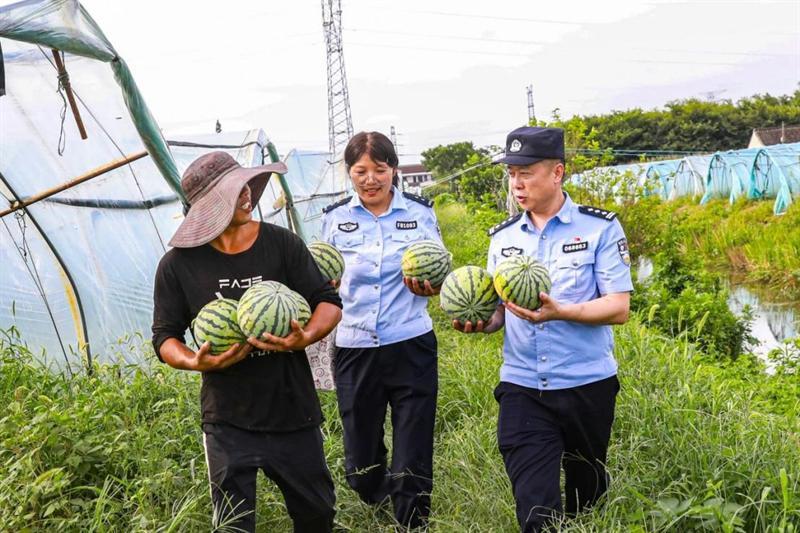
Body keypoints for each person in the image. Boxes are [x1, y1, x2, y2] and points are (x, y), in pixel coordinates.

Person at [151, 151, 343, 533]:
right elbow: (164, 337)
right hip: (227, 419)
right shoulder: (177, 265)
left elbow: (328, 302)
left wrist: (303, 337)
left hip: (292, 409)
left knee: (317, 515)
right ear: (206, 208)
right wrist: (194, 361)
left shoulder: (282, 244)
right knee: (234, 525)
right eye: (233, 191)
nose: (246, 196)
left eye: (244, 187)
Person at [454, 126, 633, 532]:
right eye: (511, 173)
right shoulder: (502, 238)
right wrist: (482, 322)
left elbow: (619, 307)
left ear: (557, 172)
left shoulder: (599, 229)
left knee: (586, 497)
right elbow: (501, 311)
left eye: (526, 172)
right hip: (523, 386)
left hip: (587, 384)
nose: (516, 183)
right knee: (536, 508)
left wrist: (561, 312)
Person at [320, 131, 442, 530]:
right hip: (355, 346)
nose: (370, 179)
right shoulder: (334, 219)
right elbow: (319, 277)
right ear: (349, 173)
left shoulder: (421, 214)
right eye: (361, 170)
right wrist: (324, 288)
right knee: (360, 459)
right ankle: (375, 492)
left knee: (413, 445)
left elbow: (440, 273)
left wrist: (434, 285)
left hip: (410, 343)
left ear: (394, 170)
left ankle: (412, 520)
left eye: (380, 169)